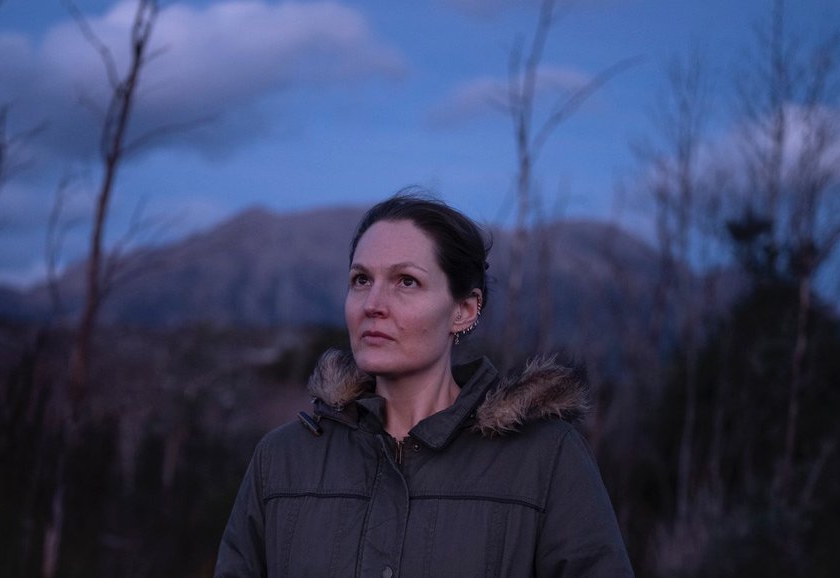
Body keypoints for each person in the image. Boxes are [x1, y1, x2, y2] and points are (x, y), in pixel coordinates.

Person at [214, 192, 634, 577]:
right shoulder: (282, 461)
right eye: (361, 280)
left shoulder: (545, 460)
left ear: (464, 310)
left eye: (406, 281)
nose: (373, 305)